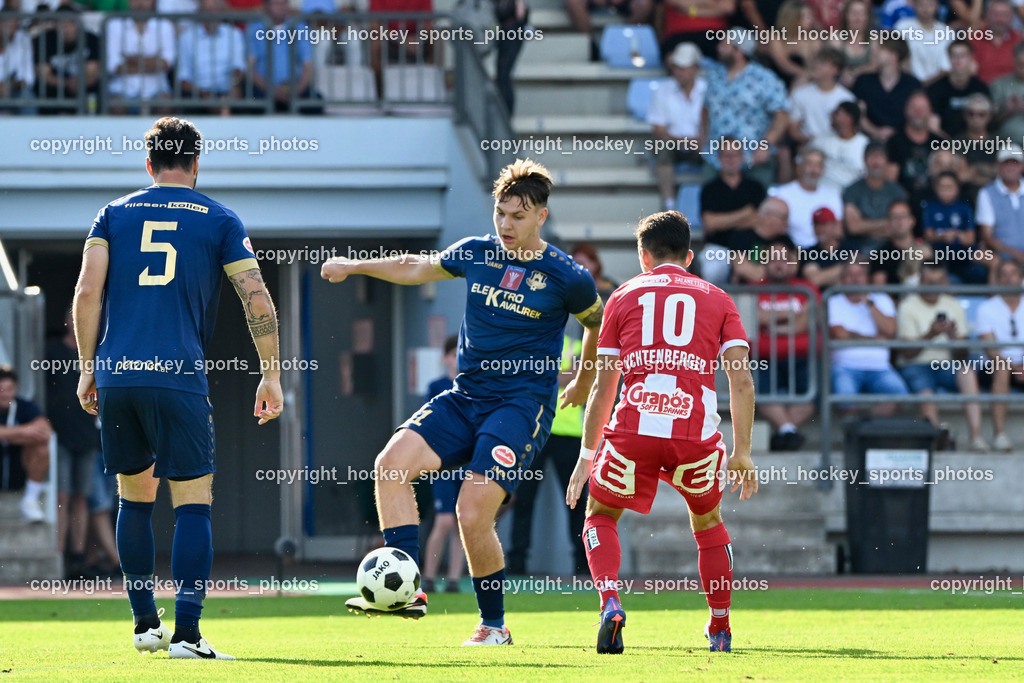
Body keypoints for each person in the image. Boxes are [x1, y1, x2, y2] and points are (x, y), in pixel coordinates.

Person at [325, 159, 603, 646]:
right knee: (390, 466)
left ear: (541, 215)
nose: (505, 224)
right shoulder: (477, 252)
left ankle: (493, 625)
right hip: (465, 396)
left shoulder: (567, 275)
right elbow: (417, 267)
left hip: (521, 406)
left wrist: (583, 378)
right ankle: (408, 588)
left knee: (472, 513)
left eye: (518, 215)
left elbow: (597, 323)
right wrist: (354, 265)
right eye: (500, 213)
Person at [73, 116, 283, 660]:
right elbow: (256, 298)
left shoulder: (113, 214)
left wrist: (87, 365)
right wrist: (271, 374)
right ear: (196, 164)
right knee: (192, 503)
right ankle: (187, 635)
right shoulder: (218, 218)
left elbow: (86, 291)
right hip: (177, 376)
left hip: (119, 376)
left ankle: (145, 624)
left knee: (133, 498)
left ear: (148, 165)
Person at [564, 210, 757, 654]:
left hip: (633, 430)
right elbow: (741, 379)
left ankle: (611, 602)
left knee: (599, 514)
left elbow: (602, 384)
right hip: (694, 434)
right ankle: (720, 627)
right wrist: (743, 452)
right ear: (689, 257)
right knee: (708, 524)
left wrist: (586, 456)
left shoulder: (622, 296)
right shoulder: (719, 298)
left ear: (643, 255)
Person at [508, 330, 588, 576]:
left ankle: (583, 563)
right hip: (536, 430)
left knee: (576, 500)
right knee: (524, 499)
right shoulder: (531, 340)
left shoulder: (573, 344)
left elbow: (579, 375)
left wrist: (543, 375)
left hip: (569, 433)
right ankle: (517, 562)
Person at [896, 263, 989, 450]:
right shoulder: (907, 306)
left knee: (967, 372)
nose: (933, 286)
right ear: (920, 282)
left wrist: (953, 338)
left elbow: (963, 356)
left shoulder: (952, 305)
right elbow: (907, 353)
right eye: (929, 282)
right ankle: (937, 441)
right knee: (927, 394)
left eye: (938, 282)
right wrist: (930, 334)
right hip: (917, 364)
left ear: (945, 282)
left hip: (946, 363)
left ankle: (976, 436)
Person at [46, 308, 101, 579]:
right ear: (68, 321)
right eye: (71, 316)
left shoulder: (98, 352)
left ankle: (78, 558)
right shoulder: (52, 352)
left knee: (82, 498)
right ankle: (59, 558)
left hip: (87, 435)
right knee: (61, 497)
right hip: (59, 434)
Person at [702, 28, 789, 188]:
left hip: (753, 157)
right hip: (716, 157)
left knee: (757, 208)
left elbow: (781, 115)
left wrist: (765, 146)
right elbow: (706, 108)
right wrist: (702, 138)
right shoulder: (714, 75)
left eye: (725, 44)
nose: (718, 47)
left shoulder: (764, 78)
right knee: (710, 205)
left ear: (739, 50)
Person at [755, 239, 818, 450]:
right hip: (762, 357)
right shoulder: (751, 289)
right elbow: (753, 318)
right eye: (772, 259)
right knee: (754, 384)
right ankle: (789, 430)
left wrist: (772, 322)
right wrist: (789, 315)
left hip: (803, 357)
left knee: (816, 388)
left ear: (794, 262)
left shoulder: (807, 288)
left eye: (784, 259)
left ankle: (785, 430)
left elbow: (806, 322)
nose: (778, 264)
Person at [828, 260, 909, 416]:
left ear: (867, 278)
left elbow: (890, 330)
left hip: (880, 367)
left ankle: (864, 427)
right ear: (842, 279)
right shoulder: (832, 301)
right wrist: (875, 339)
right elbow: (840, 334)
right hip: (845, 366)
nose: (855, 279)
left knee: (900, 394)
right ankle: (859, 431)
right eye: (850, 275)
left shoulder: (881, 300)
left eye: (860, 274)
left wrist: (869, 303)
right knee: (845, 398)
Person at [420, 335, 466, 594]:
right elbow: (427, 422)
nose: (458, 358)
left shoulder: (474, 385)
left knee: (462, 522)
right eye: (454, 353)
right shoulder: (436, 386)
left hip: (467, 463)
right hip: (443, 464)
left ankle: (453, 580)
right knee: (445, 520)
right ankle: (428, 577)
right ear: (446, 358)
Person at [698, 137, 768, 285]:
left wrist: (723, 222)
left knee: (766, 269)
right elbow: (710, 223)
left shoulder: (755, 187)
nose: (731, 159)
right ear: (719, 158)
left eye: (735, 155)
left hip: (752, 248)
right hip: (719, 248)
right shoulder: (710, 189)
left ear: (742, 157)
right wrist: (745, 213)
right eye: (726, 155)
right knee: (712, 269)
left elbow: (760, 221)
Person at [648, 43, 706, 211]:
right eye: (676, 67)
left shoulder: (708, 90)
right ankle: (669, 204)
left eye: (683, 68)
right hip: (673, 142)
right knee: (661, 147)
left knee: (716, 149)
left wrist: (700, 140)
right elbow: (658, 130)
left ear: (695, 68)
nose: (678, 72)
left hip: (700, 143)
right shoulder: (662, 90)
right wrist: (686, 141)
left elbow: (711, 125)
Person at [976, 258, 1024, 451]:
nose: (1008, 279)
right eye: (1003, 274)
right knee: (1002, 368)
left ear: (1021, 277)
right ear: (997, 278)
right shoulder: (986, 308)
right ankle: (999, 435)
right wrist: (1015, 368)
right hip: (996, 366)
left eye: (1012, 273)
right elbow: (990, 350)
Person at [248, 0, 321, 113]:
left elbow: (308, 66)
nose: (282, 7)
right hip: (263, 90)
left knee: (316, 102)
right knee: (251, 103)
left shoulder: (300, 27)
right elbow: (250, 69)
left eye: (284, 3)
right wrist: (271, 90)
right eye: (277, 4)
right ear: (266, 6)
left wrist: (297, 90)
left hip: (295, 88)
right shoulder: (254, 29)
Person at [0, 367, 52, 522]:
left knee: (41, 448)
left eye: (9, 389)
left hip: (19, 471)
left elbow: (45, 431)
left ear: (16, 389)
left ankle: (30, 500)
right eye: (1, 389)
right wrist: (25, 432)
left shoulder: (25, 406)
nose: (5, 393)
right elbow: (32, 431)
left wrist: (6, 435)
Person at [106, 0, 176, 113]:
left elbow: (167, 63)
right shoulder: (114, 25)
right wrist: (153, 62)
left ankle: (163, 132)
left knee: (165, 102)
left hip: (157, 89)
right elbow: (113, 65)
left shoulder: (164, 25)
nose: (140, 3)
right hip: (121, 89)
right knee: (116, 104)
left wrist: (131, 59)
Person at [177, 0, 246, 112]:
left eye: (215, 9)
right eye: (207, 9)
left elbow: (238, 67)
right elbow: (183, 78)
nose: (212, 14)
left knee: (240, 94)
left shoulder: (234, 33)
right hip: (198, 94)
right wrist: (203, 94)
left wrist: (234, 84)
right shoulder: (186, 38)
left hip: (227, 91)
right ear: (199, 12)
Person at [768, 148, 843, 249]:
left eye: (818, 165)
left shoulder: (832, 195)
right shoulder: (782, 194)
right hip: (793, 252)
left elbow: (838, 231)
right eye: (809, 164)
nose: (814, 170)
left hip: (824, 252)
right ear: (799, 167)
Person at [32, 4, 100, 114]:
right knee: (42, 90)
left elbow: (92, 73)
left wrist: (79, 82)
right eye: (62, 24)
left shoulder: (91, 39)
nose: (67, 28)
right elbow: (44, 74)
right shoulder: (44, 40)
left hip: (82, 86)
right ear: (55, 25)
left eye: (71, 23)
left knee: (97, 89)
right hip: (55, 88)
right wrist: (66, 83)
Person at [922, 171, 989, 284]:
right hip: (939, 253)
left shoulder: (964, 207)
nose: (946, 190)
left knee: (992, 259)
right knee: (922, 253)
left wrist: (957, 235)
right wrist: (943, 236)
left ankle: (996, 297)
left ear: (957, 188)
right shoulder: (930, 207)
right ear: (935, 188)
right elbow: (928, 235)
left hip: (965, 253)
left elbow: (971, 238)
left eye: (950, 186)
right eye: (942, 186)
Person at [852, 36, 921, 142]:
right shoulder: (863, 81)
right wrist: (875, 131)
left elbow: (918, 115)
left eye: (880, 49)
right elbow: (859, 114)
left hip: (905, 141)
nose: (875, 53)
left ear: (894, 55)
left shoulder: (912, 84)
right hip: (869, 140)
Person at [843, 142, 908, 253]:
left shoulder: (897, 192)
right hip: (859, 249)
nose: (876, 162)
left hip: (892, 249)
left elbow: (901, 227)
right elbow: (853, 227)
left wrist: (865, 226)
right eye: (872, 157)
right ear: (864, 160)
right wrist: (885, 223)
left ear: (887, 161)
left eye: (880, 157)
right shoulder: (852, 190)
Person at [787, 47, 855, 148]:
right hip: (809, 149)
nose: (816, 66)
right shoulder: (799, 94)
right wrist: (815, 141)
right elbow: (793, 130)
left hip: (837, 148)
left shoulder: (847, 98)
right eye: (816, 62)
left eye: (822, 63)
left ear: (835, 70)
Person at [886, 91, 946, 197]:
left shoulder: (940, 142)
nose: (918, 112)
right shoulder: (894, 142)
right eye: (914, 107)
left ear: (930, 112)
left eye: (922, 108)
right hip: (905, 201)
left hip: (935, 201)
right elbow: (891, 182)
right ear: (906, 111)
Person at [976, 145, 1024, 275]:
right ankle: (996, 296)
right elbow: (987, 236)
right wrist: (1017, 255)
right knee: (995, 261)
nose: (1010, 167)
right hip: (1003, 255)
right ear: (998, 166)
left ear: (1022, 165)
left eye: (1015, 163)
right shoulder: (987, 193)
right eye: (1006, 163)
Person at [927, 40, 990, 138]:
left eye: (963, 56)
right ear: (949, 58)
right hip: (945, 144)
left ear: (971, 58)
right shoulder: (936, 89)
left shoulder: (980, 88)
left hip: (975, 143)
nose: (958, 60)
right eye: (954, 56)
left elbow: (986, 123)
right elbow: (933, 127)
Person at [869, 199, 933, 287]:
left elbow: (942, 283)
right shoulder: (881, 255)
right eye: (895, 217)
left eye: (903, 216)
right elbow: (880, 292)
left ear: (912, 221)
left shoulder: (927, 250)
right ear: (888, 222)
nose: (899, 220)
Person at [799, 206, 858, 289]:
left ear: (834, 225)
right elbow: (814, 280)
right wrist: (845, 267)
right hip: (820, 300)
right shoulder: (808, 253)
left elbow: (855, 278)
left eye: (823, 224)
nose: (819, 229)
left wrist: (826, 275)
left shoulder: (850, 248)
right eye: (816, 224)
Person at [815, 101, 869, 191]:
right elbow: (801, 163)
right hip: (821, 195)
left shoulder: (865, 145)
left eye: (837, 113)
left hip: (851, 198)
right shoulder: (820, 141)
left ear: (849, 118)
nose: (831, 115)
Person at [894, 0, 952, 83]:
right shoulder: (901, 27)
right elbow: (896, 59)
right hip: (907, 83)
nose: (926, 9)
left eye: (930, 5)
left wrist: (925, 84)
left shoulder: (947, 32)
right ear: (914, 5)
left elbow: (946, 68)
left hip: (939, 85)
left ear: (937, 6)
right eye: (921, 4)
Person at [970, 0, 1020, 83]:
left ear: (1011, 17)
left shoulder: (1019, 40)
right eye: (995, 14)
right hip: (983, 91)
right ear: (987, 15)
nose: (1000, 19)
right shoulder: (974, 39)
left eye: (1004, 15)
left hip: (1012, 92)